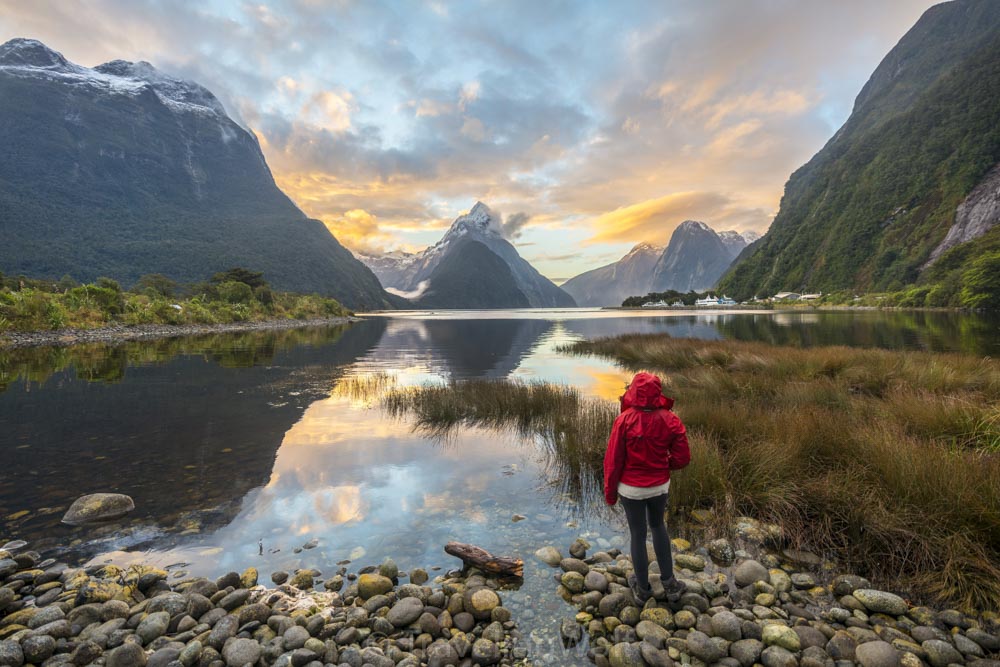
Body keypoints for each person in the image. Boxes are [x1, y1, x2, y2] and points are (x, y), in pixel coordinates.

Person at [604, 371, 691, 604]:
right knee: (658, 526)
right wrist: (664, 465)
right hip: (659, 485)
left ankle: (642, 589)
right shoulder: (671, 419)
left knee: (638, 533)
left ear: (634, 391)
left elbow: (613, 462)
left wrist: (610, 494)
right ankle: (670, 584)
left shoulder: (624, 420)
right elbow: (682, 458)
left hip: (631, 489)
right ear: (657, 392)